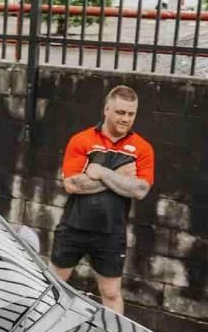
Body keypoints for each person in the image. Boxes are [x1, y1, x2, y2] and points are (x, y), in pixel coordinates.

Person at [52, 85, 155, 313]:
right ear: (106, 109)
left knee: (111, 294)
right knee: (54, 286)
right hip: (73, 227)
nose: (125, 119)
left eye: (131, 114)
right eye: (120, 112)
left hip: (111, 233)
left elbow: (140, 190)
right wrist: (119, 178)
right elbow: (73, 184)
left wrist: (102, 173)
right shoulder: (82, 140)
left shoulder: (142, 148)